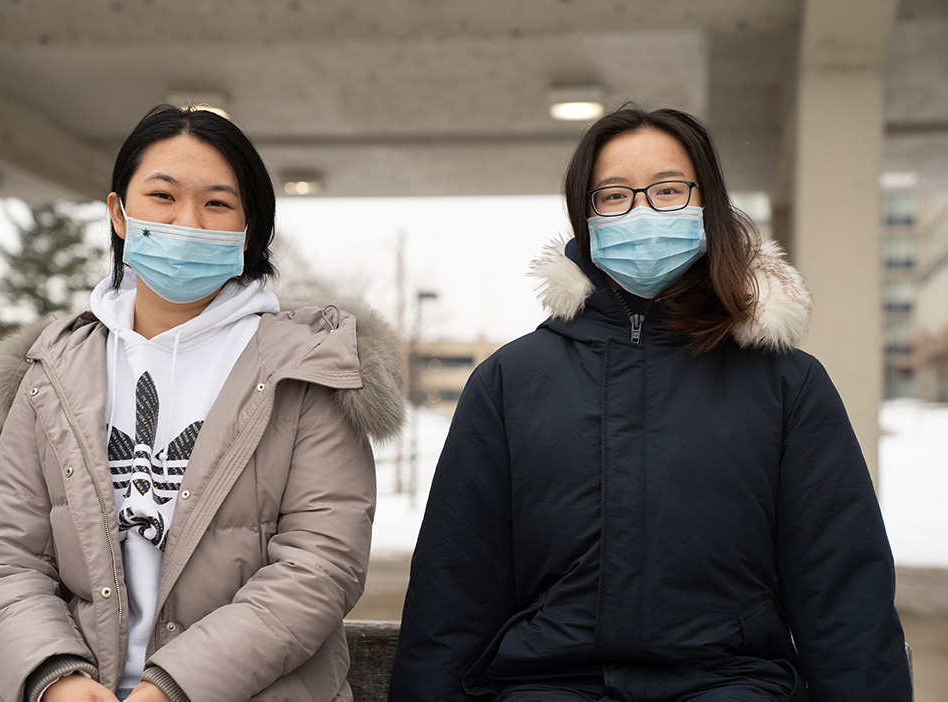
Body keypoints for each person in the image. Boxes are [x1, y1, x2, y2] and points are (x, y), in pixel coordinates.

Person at [388, 106, 911, 701]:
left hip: (732, 684)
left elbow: (841, 585)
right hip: (550, 684)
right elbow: (454, 586)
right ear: (586, 219)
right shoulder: (510, 382)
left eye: (668, 190)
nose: (642, 212)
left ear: (708, 204)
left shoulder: (787, 384)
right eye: (614, 195)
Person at [0, 104, 404, 702]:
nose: (188, 223)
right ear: (119, 214)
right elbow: (5, 558)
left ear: (250, 230)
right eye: (162, 196)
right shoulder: (51, 371)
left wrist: (173, 688)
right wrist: (55, 676)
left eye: (217, 204)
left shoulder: (308, 370)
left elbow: (320, 566)